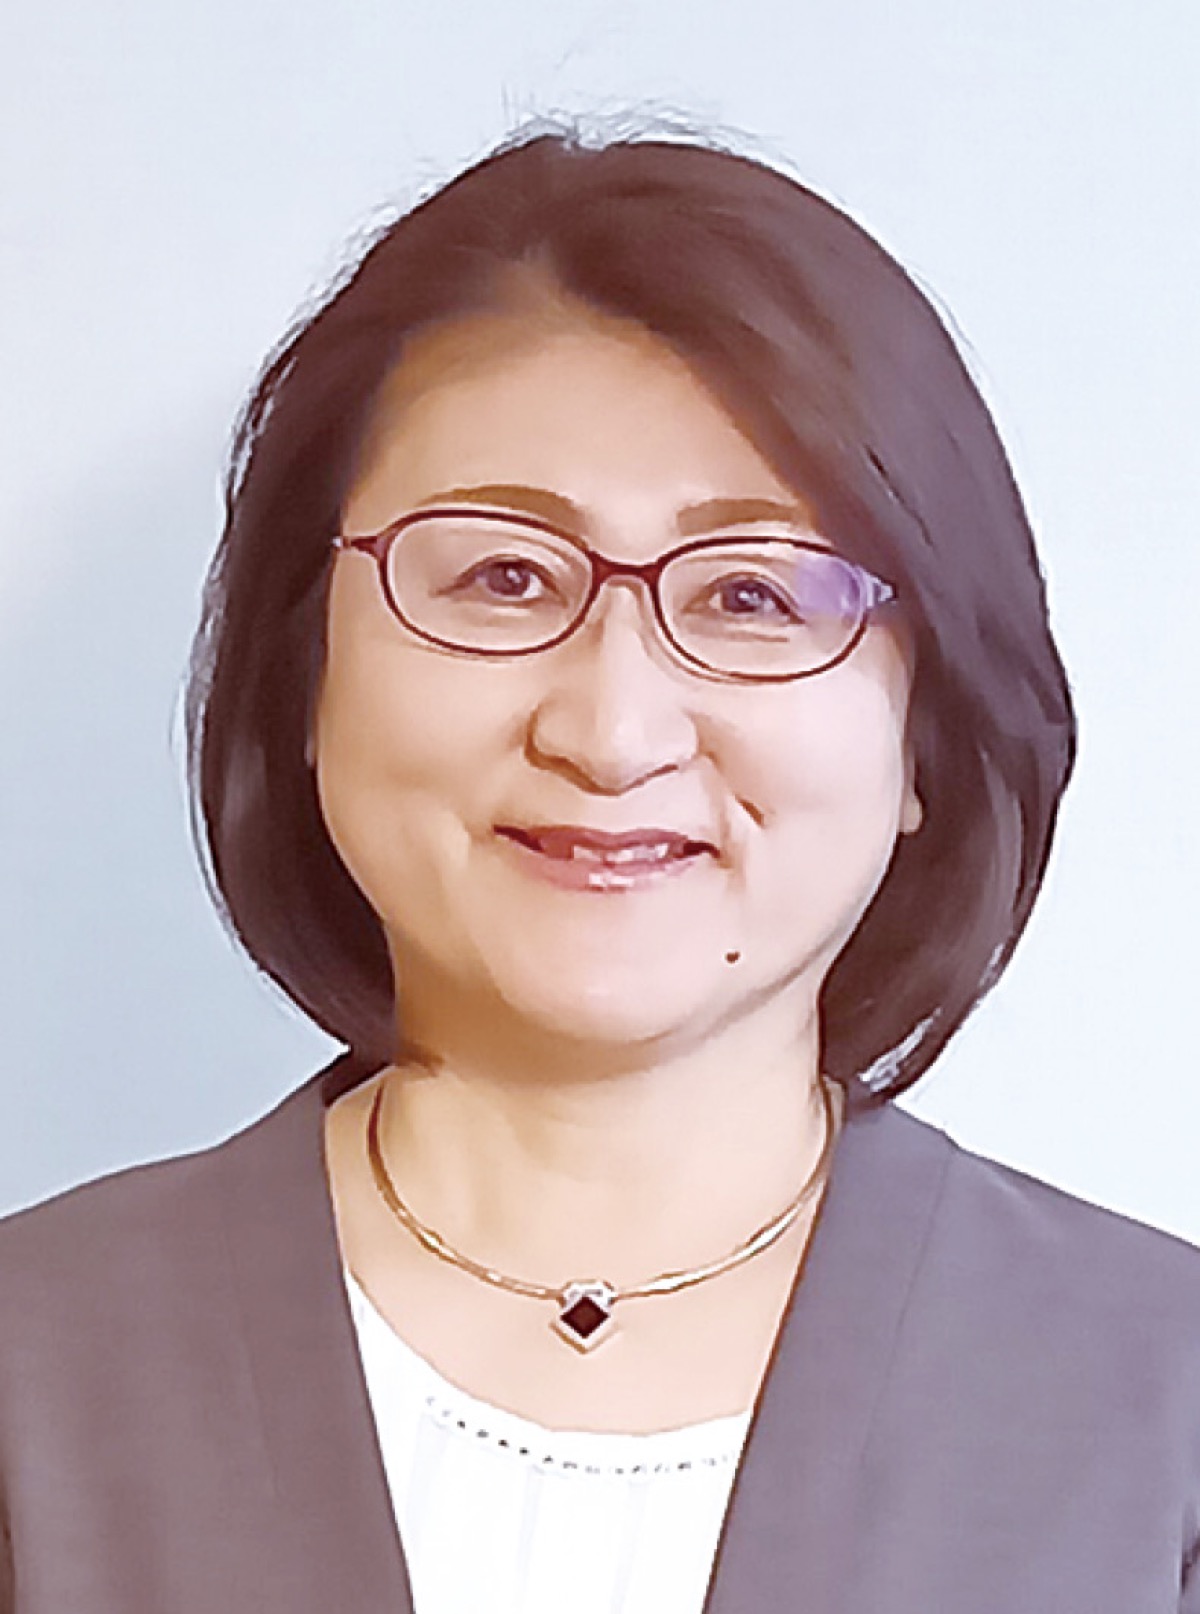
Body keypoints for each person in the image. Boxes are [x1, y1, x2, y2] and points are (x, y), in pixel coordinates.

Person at [1, 123, 1198, 1614]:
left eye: (753, 594)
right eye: (503, 576)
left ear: (928, 735)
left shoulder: (1164, 1421)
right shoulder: (35, 1377)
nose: (614, 729)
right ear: (305, 673)